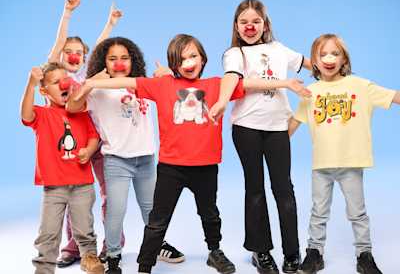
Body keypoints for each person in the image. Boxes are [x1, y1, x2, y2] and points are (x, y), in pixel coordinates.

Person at [74, 33, 311, 274]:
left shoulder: (217, 85)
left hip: (206, 166)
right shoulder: (162, 85)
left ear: (202, 59)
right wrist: (92, 83)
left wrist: (285, 83)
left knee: (210, 214)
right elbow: (128, 83)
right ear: (174, 64)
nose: (188, 62)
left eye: (193, 56)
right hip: (171, 168)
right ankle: (144, 266)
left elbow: (249, 83)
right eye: (181, 58)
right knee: (157, 220)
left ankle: (214, 251)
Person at [209, 0, 312, 274]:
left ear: (265, 25)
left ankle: (292, 253)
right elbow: (236, 80)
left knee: (284, 189)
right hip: (247, 128)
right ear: (236, 26)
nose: (250, 26)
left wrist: (336, 70)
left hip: (277, 127)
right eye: (244, 22)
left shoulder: (279, 49)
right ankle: (261, 251)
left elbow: (310, 64)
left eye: (256, 21)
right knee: (255, 189)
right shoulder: (234, 54)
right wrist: (221, 101)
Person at [67, 37, 185, 274]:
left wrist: (168, 77)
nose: (119, 63)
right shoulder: (98, 89)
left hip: (146, 159)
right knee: (116, 210)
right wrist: (89, 84)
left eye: (124, 58)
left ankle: (156, 245)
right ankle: (113, 255)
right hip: (117, 160)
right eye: (112, 59)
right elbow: (72, 107)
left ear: (133, 61)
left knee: (152, 209)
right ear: (104, 63)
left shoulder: (141, 84)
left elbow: (175, 94)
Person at [289, 33, 400, 274]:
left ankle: (364, 254)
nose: (329, 58)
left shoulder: (360, 86)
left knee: (357, 212)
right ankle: (314, 253)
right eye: (323, 54)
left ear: (344, 60)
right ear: (314, 62)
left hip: (351, 163)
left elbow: (394, 96)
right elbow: (292, 125)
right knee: (318, 211)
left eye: (335, 53)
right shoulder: (311, 92)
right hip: (322, 165)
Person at [48, 0, 125, 267]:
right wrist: (67, 13)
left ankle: (113, 242)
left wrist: (110, 24)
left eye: (79, 53)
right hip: (71, 143)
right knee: (74, 196)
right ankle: (75, 244)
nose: (73, 56)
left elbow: (101, 46)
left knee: (108, 193)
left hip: (99, 140)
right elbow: (58, 46)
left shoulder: (86, 74)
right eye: (68, 52)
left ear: (85, 57)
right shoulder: (57, 75)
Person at [20, 62, 103, 274]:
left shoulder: (82, 113)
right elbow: (26, 114)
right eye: (56, 82)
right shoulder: (42, 114)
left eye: (65, 80)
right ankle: (44, 267)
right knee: (48, 232)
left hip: (82, 184)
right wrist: (30, 84)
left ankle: (89, 257)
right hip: (54, 186)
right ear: (44, 91)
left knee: (84, 227)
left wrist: (88, 150)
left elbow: (94, 137)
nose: (63, 84)